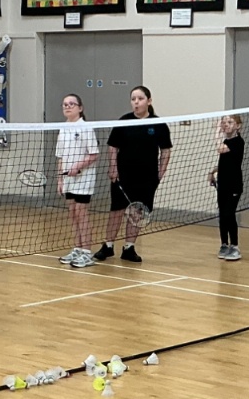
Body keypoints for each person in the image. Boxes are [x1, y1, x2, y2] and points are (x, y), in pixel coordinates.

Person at [94, 85, 171, 263]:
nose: (136, 102)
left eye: (140, 99)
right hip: (123, 175)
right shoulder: (124, 121)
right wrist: (113, 167)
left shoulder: (158, 124)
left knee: (137, 212)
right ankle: (108, 246)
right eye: (133, 99)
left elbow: (166, 150)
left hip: (147, 177)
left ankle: (129, 248)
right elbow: (112, 147)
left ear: (149, 101)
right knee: (116, 211)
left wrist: (160, 173)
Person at [55, 93, 99, 268]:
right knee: (73, 213)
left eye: (71, 104)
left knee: (81, 213)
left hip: (84, 178)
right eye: (65, 104)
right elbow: (60, 157)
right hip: (68, 179)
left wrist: (78, 166)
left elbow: (94, 154)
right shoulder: (62, 128)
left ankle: (87, 252)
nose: (67, 107)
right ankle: (78, 248)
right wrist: (60, 180)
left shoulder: (86, 128)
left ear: (80, 108)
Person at [209, 113, 245, 261]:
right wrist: (212, 172)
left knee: (229, 214)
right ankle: (224, 244)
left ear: (238, 126)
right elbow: (226, 162)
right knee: (222, 216)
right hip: (222, 184)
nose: (225, 125)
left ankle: (235, 247)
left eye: (230, 122)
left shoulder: (238, 142)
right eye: (224, 122)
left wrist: (217, 131)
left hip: (234, 185)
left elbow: (220, 149)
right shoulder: (226, 141)